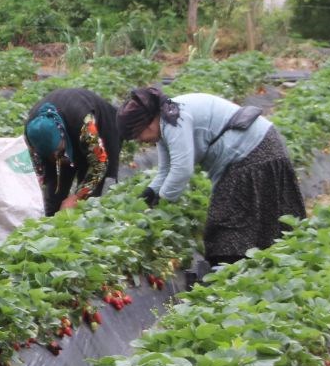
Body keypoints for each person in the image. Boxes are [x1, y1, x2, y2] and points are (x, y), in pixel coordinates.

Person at [119, 86, 305, 267]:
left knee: (227, 230)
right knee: (248, 227)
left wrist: (161, 204)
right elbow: (165, 169)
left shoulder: (173, 120)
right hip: (254, 150)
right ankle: (249, 272)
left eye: (138, 134)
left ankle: (234, 277)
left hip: (253, 152)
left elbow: (182, 170)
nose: (140, 140)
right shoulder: (166, 120)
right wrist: (150, 194)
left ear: (148, 122)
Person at [24, 87, 123, 215]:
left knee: (91, 199)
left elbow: (100, 163)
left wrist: (77, 197)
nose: (55, 158)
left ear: (62, 135)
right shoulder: (32, 131)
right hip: (64, 137)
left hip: (104, 130)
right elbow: (39, 172)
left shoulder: (85, 125)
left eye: (58, 152)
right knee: (52, 197)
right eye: (50, 155)